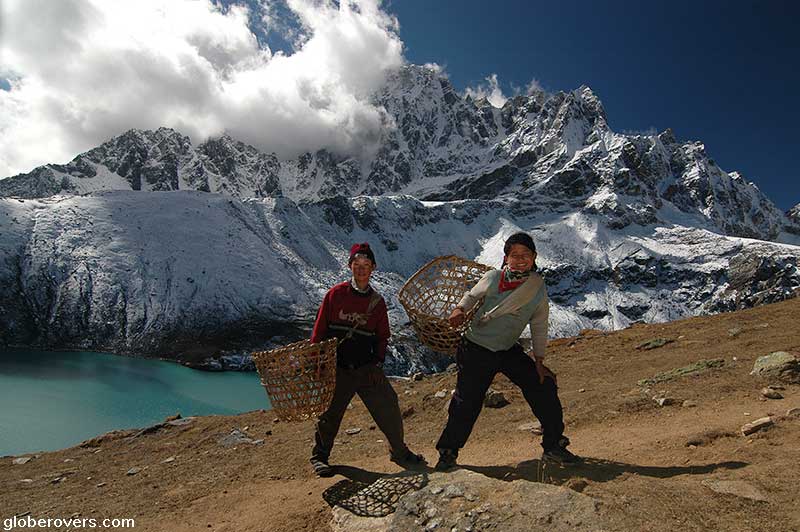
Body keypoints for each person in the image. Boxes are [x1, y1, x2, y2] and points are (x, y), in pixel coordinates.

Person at [434, 232, 582, 471]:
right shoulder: (493, 278)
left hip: (506, 349)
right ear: (506, 258)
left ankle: (554, 445)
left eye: (526, 255)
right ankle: (448, 453)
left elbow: (539, 324)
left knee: (543, 384)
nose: (520, 259)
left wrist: (539, 360)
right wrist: (459, 309)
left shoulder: (537, 288)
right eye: (515, 255)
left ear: (534, 257)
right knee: (467, 401)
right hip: (476, 349)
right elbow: (471, 296)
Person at [309, 242, 425, 477]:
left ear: (373, 268)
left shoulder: (378, 303)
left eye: (366, 265)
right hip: (338, 368)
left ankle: (399, 451)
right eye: (357, 264)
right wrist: (318, 362)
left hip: (367, 369)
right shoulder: (335, 295)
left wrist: (377, 362)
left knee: (389, 406)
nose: (361, 269)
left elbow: (382, 337)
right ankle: (320, 456)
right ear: (350, 266)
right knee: (330, 414)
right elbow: (319, 331)